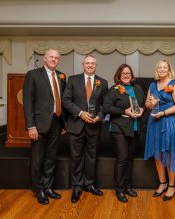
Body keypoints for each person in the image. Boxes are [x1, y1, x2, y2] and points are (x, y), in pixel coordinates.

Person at [62, 54, 108, 203]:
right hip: (76, 125)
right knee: (76, 158)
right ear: (83, 65)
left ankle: (89, 184)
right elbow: (66, 101)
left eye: (92, 63)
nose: (90, 65)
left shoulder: (103, 82)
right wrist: (80, 113)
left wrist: (99, 116)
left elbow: (105, 105)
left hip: (94, 126)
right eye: (87, 63)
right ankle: (76, 187)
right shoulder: (73, 80)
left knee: (91, 157)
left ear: (96, 65)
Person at [23, 48, 66, 205]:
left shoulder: (62, 76)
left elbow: (61, 101)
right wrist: (30, 126)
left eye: (56, 57)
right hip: (39, 124)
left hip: (56, 121)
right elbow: (28, 102)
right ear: (44, 59)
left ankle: (48, 186)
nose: (54, 59)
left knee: (51, 157)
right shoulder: (33, 75)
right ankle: (38, 189)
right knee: (37, 158)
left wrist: (63, 123)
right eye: (51, 57)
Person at [103, 64, 145, 203]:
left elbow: (143, 105)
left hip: (134, 128)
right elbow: (106, 107)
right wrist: (124, 112)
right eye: (123, 73)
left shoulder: (137, 89)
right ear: (119, 76)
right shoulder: (114, 90)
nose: (126, 75)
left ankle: (127, 186)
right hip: (119, 129)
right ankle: (119, 189)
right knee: (122, 158)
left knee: (130, 158)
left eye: (128, 73)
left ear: (131, 75)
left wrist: (142, 109)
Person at [144, 60, 175, 201]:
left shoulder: (174, 85)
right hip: (154, 122)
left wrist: (164, 113)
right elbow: (147, 105)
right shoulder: (152, 85)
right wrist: (152, 103)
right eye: (159, 67)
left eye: (164, 67)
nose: (161, 69)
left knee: (170, 153)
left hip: (169, 121)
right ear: (157, 70)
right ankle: (162, 183)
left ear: (168, 70)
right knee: (157, 153)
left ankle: (171, 186)